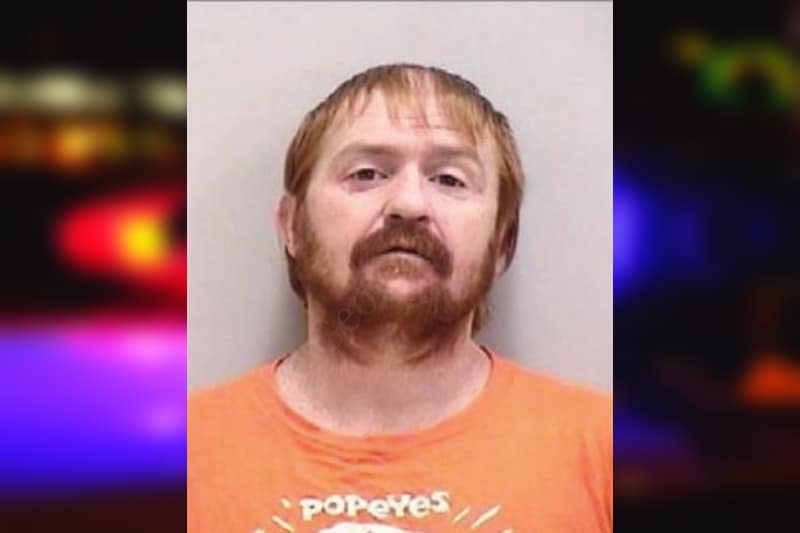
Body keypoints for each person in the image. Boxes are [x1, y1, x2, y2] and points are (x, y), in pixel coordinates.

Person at [188, 63, 612, 533]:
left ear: (503, 243)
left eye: (449, 179)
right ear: (292, 226)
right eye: (367, 173)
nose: (409, 204)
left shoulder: (609, 455)